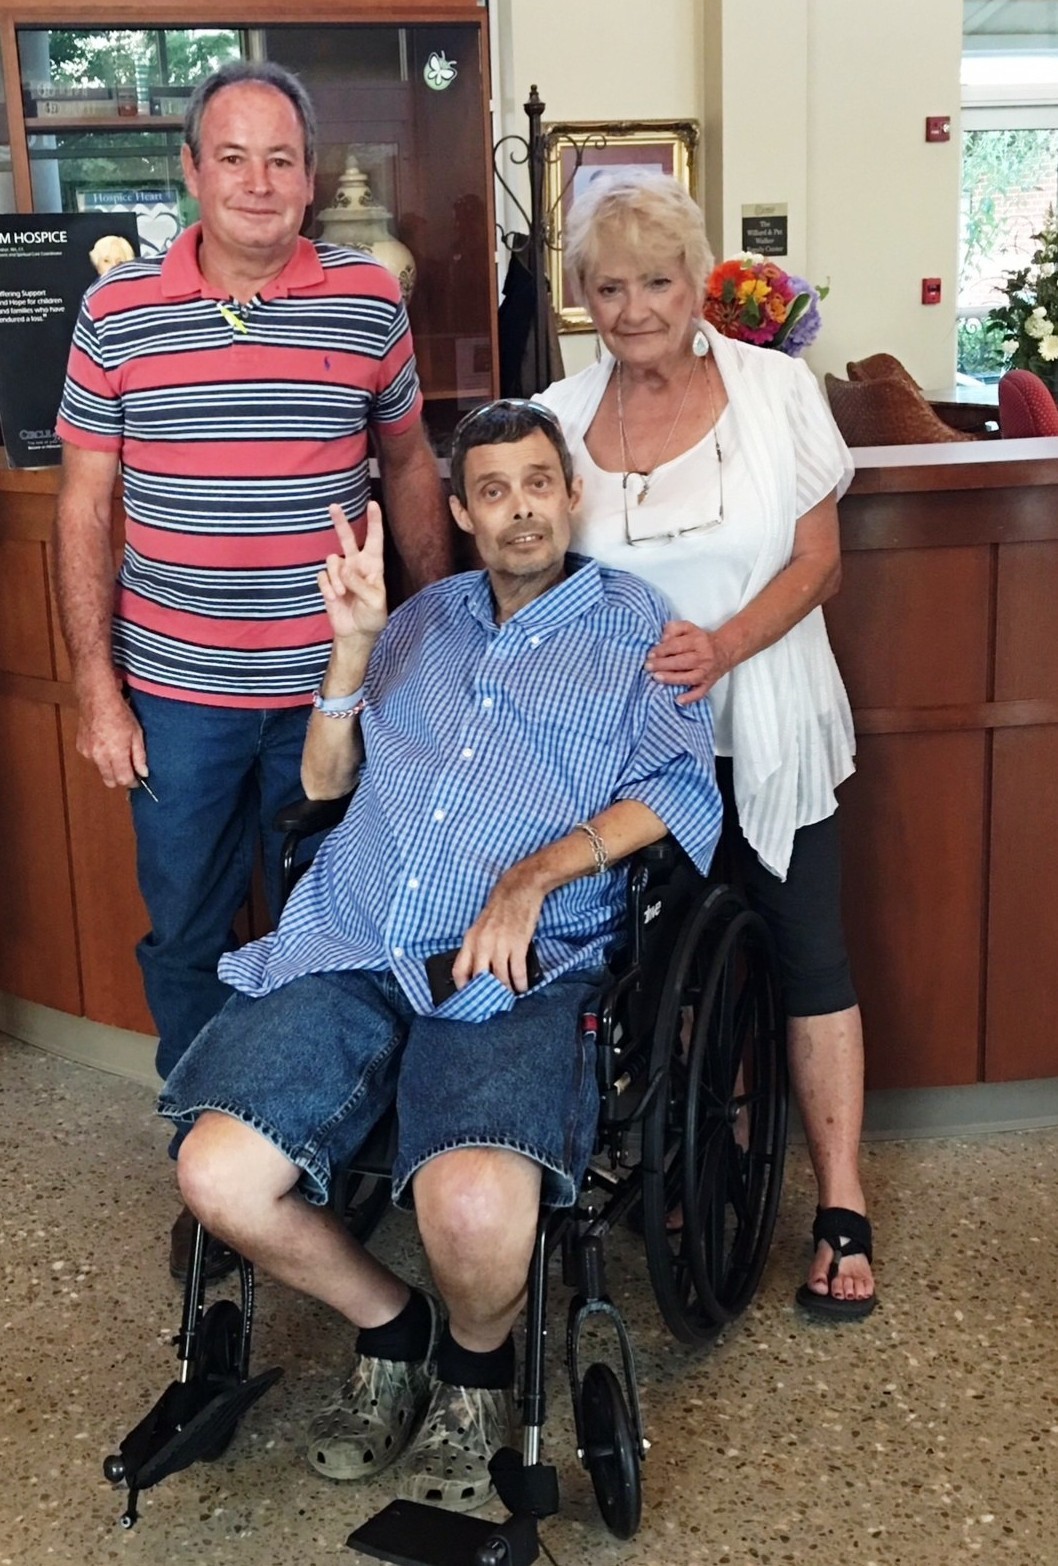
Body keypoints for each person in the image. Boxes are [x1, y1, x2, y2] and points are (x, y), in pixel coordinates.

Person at [159, 399, 722, 1509]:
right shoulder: (418, 621)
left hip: (515, 969)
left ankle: (473, 1369)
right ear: (462, 512)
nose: (522, 510)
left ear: (572, 494)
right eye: (494, 491)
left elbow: (676, 790)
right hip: (354, 937)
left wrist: (531, 877)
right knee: (215, 1175)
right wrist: (351, 648)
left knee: (469, 1209)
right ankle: (394, 1325)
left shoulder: (636, 628)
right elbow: (321, 786)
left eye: (539, 484)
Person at [52, 60, 451, 1281]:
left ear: (312, 177)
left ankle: (319, 1154)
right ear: (190, 172)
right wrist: (95, 689)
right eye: (233, 157)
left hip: (335, 690)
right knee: (185, 930)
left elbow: (410, 466)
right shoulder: (117, 311)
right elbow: (83, 510)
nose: (259, 182)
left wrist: (434, 637)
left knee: (338, 928)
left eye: (281, 159)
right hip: (176, 697)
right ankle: (212, 1165)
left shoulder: (365, 300)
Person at [537, 170, 876, 1321]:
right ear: (583, 296)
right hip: (633, 751)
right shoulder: (557, 414)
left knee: (805, 956)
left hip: (768, 720)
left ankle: (839, 1205)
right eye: (608, 287)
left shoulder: (775, 391)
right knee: (658, 967)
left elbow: (819, 562)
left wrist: (722, 645)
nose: (632, 308)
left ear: (695, 285)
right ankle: (691, 1161)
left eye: (655, 282)